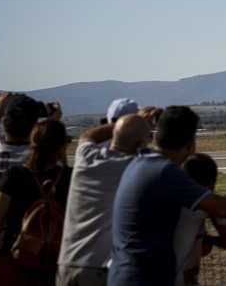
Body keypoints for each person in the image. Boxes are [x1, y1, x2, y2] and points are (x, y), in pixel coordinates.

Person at [108, 105, 226, 286]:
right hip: (143, 279)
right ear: (190, 142)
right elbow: (220, 207)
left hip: (122, 274)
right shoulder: (164, 171)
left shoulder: (139, 161)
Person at [0, 119, 72, 286]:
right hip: (55, 262)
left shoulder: (16, 175)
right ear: (61, 147)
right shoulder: (70, 178)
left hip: (13, 257)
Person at [56, 113, 154, 286]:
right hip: (99, 267)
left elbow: (87, 136)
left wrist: (126, 125)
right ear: (139, 145)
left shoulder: (86, 157)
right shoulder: (135, 168)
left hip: (68, 262)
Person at [0, 92, 49, 208]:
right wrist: (51, 123)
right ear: (34, 126)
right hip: (33, 217)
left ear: (5, 123)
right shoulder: (43, 156)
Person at [173, 153, 226, 286]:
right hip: (184, 277)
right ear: (212, 184)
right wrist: (206, 239)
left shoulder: (164, 198)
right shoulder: (207, 206)